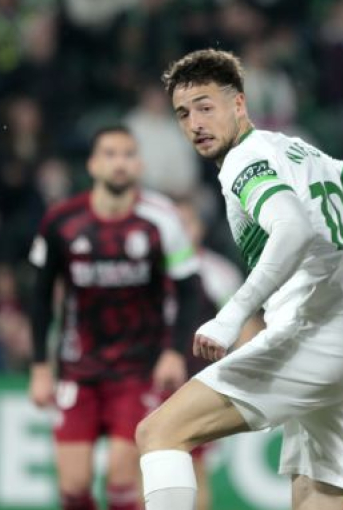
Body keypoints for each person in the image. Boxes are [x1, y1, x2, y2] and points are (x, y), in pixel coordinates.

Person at [136, 49, 343, 510]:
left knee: (158, 432)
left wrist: (230, 315)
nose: (194, 122)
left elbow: (291, 227)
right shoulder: (297, 149)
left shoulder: (243, 159)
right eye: (183, 113)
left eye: (205, 106)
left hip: (317, 328)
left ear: (239, 104)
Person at [28, 126, 202, 510]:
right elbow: (40, 297)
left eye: (126, 154)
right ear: (93, 164)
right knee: (74, 487)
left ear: (138, 164)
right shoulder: (61, 221)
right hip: (78, 368)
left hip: (137, 369)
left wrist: (174, 352)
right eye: (109, 154)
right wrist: (41, 366)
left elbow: (190, 290)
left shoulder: (161, 220)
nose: (118, 163)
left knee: (123, 482)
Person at [172, 200, 265, 510]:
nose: (180, 231)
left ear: (199, 229)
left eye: (187, 223)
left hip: (191, 382)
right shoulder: (148, 266)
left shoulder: (216, 272)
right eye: (175, 224)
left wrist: (241, 374)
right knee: (140, 458)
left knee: (189, 466)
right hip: (147, 378)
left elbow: (245, 326)